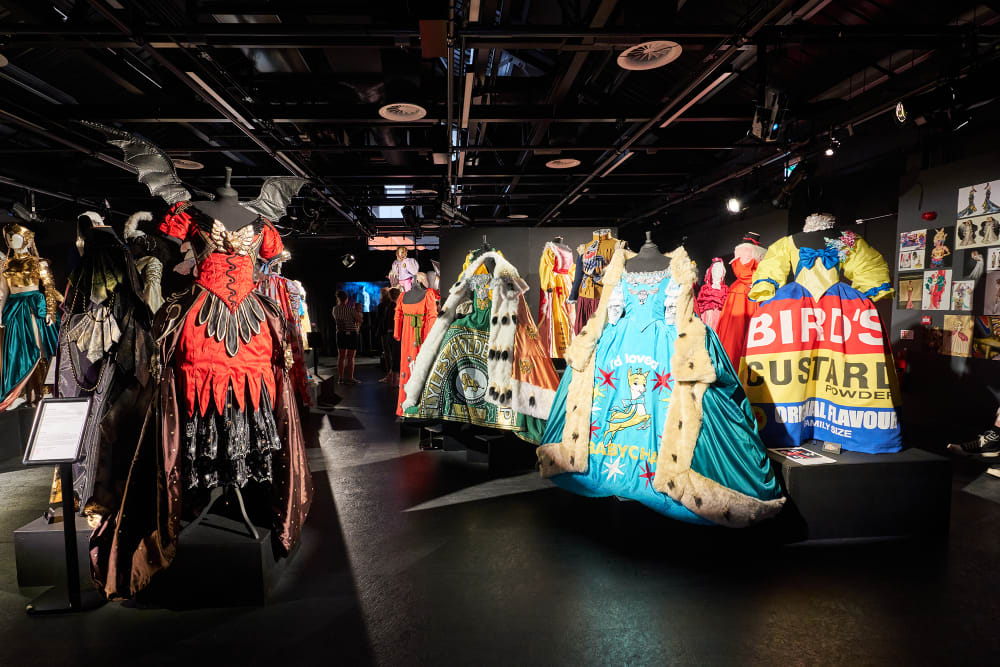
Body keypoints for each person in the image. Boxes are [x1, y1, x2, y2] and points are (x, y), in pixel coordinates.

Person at [333, 289, 363, 384]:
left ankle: (341, 378)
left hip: (341, 334)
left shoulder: (335, 309)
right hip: (351, 334)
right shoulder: (350, 309)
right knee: (351, 357)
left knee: (341, 357)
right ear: (346, 299)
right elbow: (360, 320)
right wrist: (358, 312)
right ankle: (350, 378)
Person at [379, 288, 401, 385]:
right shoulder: (395, 306)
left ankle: (392, 378)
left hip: (390, 333)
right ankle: (395, 380)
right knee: (395, 356)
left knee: (392, 356)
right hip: (395, 334)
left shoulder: (390, 306)